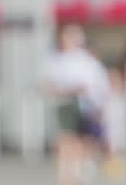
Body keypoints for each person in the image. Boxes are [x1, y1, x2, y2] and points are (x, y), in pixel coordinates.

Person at [42, 24, 109, 185]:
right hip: (65, 107)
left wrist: (100, 107)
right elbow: (47, 86)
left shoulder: (88, 62)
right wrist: (69, 90)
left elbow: (100, 87)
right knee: (66, 143)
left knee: (84, 143)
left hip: (87, 108)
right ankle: (67, 177)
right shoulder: (56, 61)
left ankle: (78, 174)